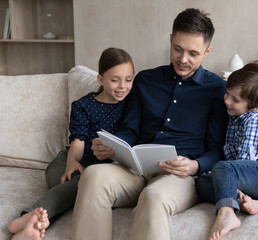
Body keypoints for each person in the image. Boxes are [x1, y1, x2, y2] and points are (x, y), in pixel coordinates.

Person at [71, 8, 228, 240]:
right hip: (135, 171)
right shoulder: (145, 80)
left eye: (193, 53)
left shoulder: (218, 90)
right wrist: (112, 146)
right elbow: (130, 130)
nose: (183, 59)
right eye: (177, 49)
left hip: (179, 177)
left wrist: (195, 166)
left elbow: (218, 149)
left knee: (153, 196)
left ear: (207, 51)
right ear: (171, 39)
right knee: (93, 175)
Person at [7, 47, 135, 240]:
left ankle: (33, 223)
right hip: (67, 162)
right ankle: (31, 216)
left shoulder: (130, 105)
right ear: (100, 79)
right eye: (114, 79)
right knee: (79, 180)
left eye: (128, 79)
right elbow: (78, 141)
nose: (122, 86)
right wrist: (72, 161)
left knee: (86, 183)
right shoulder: (84, 105)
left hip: (100, 174)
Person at [195, 61, 258, 240]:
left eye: (235, 100)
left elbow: (245, 162)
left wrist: (221, 173)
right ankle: (246, 202)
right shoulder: (236, 116)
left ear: (256, 105)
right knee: (201, 182)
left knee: (222, 168)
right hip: (251, 179)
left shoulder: (255, 120)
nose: (227, 101)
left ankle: (226, 214)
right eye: (227, 94)